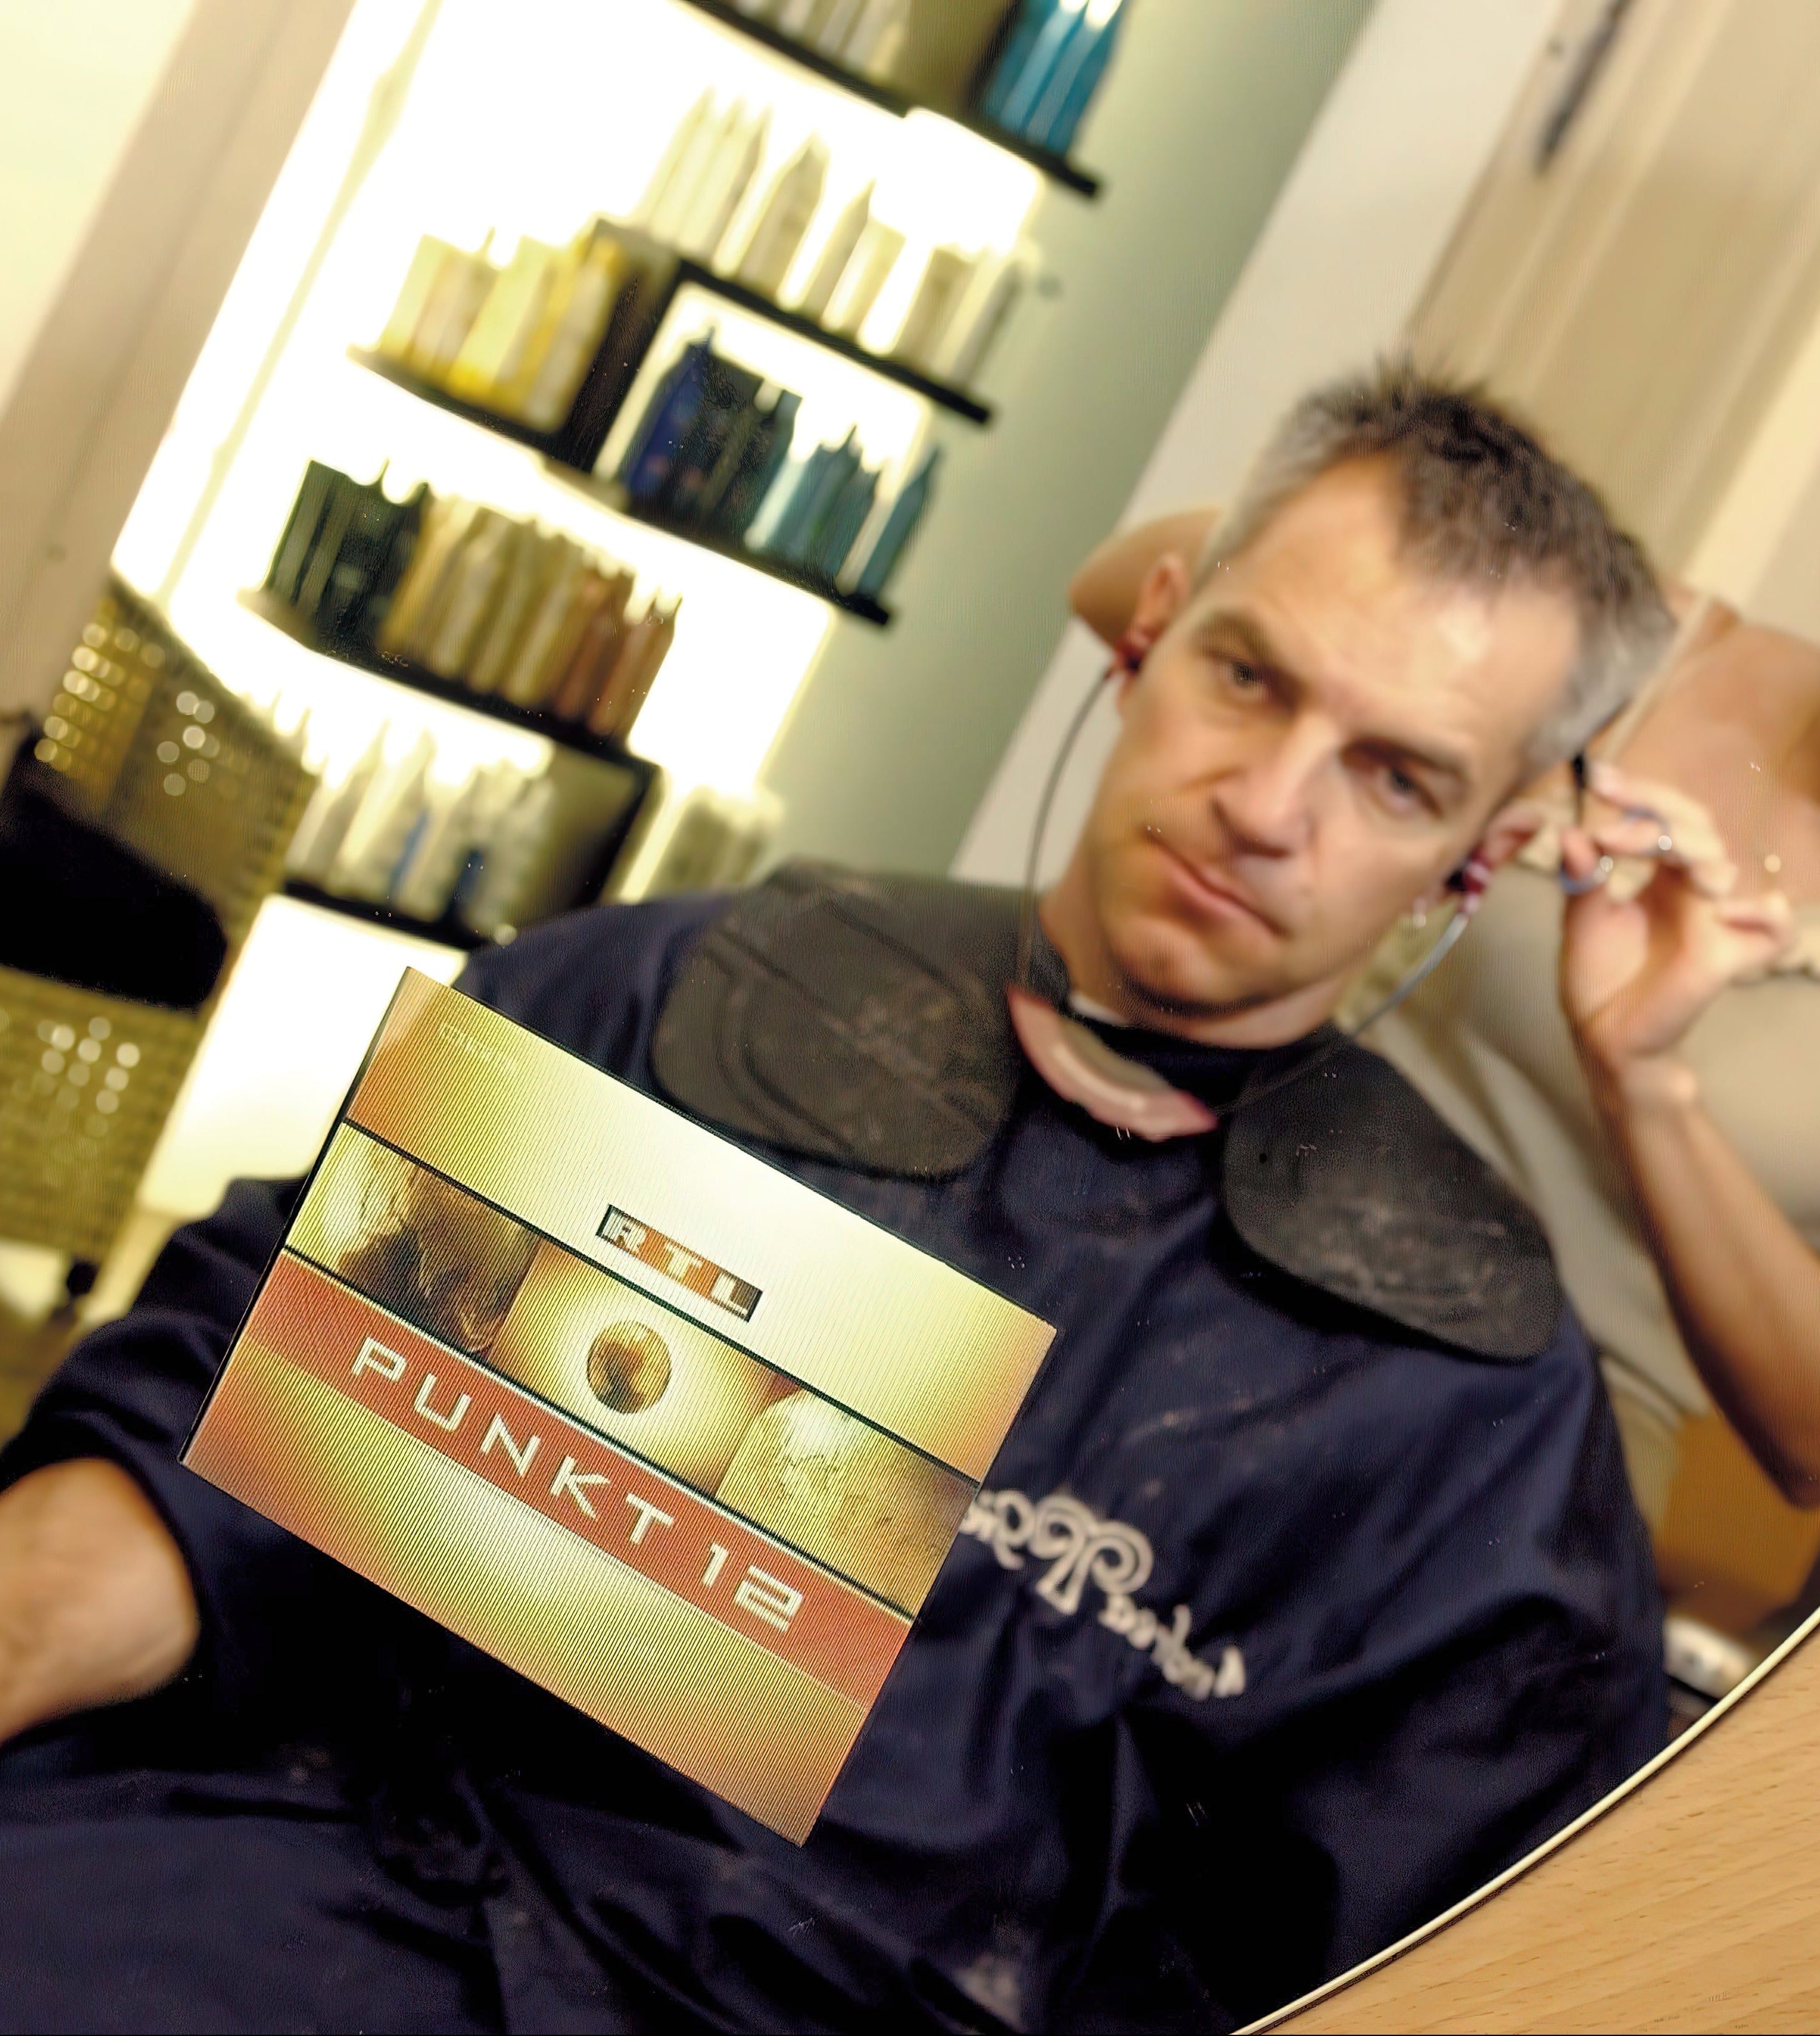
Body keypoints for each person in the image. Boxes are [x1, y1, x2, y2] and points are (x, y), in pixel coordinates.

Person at [0, 369, 1668, 2034]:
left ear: (1481, 850)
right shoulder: (675, 1009)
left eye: (1394, 777)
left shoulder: (1455, 1417)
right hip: (284, 1899)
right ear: (1152, 629)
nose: (1266, 807)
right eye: (1247, 676)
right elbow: (214, 1473)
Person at [1072, 510, 1820, 1529]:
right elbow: (1115, 583)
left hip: (1515, 1459)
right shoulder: (1643, 643)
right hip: (1218, 1246)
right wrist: (1419, 619)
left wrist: (1644, 1087)